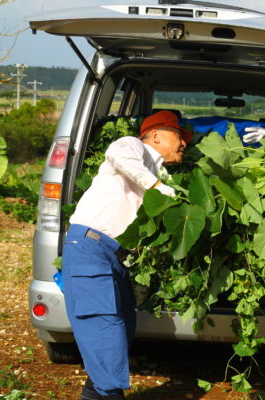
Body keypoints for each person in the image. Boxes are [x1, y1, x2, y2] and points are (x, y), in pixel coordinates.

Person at [62, 110, 192, 400]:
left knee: (119, 332)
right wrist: (158, 188)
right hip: (91, 249)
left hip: (115, 257)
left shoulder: (161, 174)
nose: (184, 143)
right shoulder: (132, 146)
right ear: (155, 135)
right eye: (179, 135)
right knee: (106, 331)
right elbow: (118, 156)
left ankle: (95, 393)